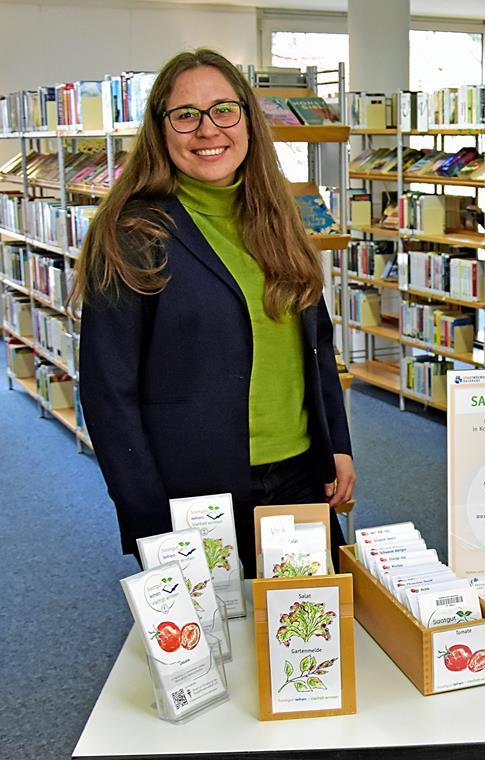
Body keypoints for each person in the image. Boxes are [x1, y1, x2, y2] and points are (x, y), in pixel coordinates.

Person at [72, 48, 355, 576]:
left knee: (308, 642)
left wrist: (336, 444)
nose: (208, 130)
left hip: (297, 477)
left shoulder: (278, 218)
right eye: (186, 115)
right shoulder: (133, 234)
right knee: (220, 646)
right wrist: (148, 520)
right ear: (162, 129)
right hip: (196, 490)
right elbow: (108, 393)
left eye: (224, 110)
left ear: (248, 118)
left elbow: (316, 347)